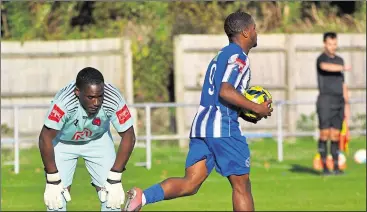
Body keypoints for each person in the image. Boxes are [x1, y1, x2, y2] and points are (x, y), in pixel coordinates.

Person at [124, 11, 272, 211]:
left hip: (202, 125)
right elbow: (225, 90)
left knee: (191, 183)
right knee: (241, 185)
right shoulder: (239, 58)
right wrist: (256, 107)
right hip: (223, 127)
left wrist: (246, 112)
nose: (256, 32)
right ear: (246, 33)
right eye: (254, 28)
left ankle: (142, 198)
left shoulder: (221, 55)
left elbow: (221, 94)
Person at [39, 67, 136, 211]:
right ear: (78, 93)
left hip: (97, 140)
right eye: (91, 97)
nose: (96, 102)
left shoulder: (112, 98)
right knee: (56, 201)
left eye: (100, 96)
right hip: (63, 142)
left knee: (112, 198)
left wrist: (115, 176)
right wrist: (52, 179)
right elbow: (45, 137)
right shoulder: (64, 103)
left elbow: (129, 136)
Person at [316, 32, 351, 175]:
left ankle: (336, 167)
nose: (333, 47)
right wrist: (342, 68)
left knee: (336, 134)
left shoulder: (340, 60)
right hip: (325, 100)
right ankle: (324, 167)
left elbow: (343, 84)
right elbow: (325, 67)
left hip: (339, 101)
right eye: (330, 44)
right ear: (325, 44)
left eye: (335, 44)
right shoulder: (321, 59)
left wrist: (347, 104)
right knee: (325, 134)